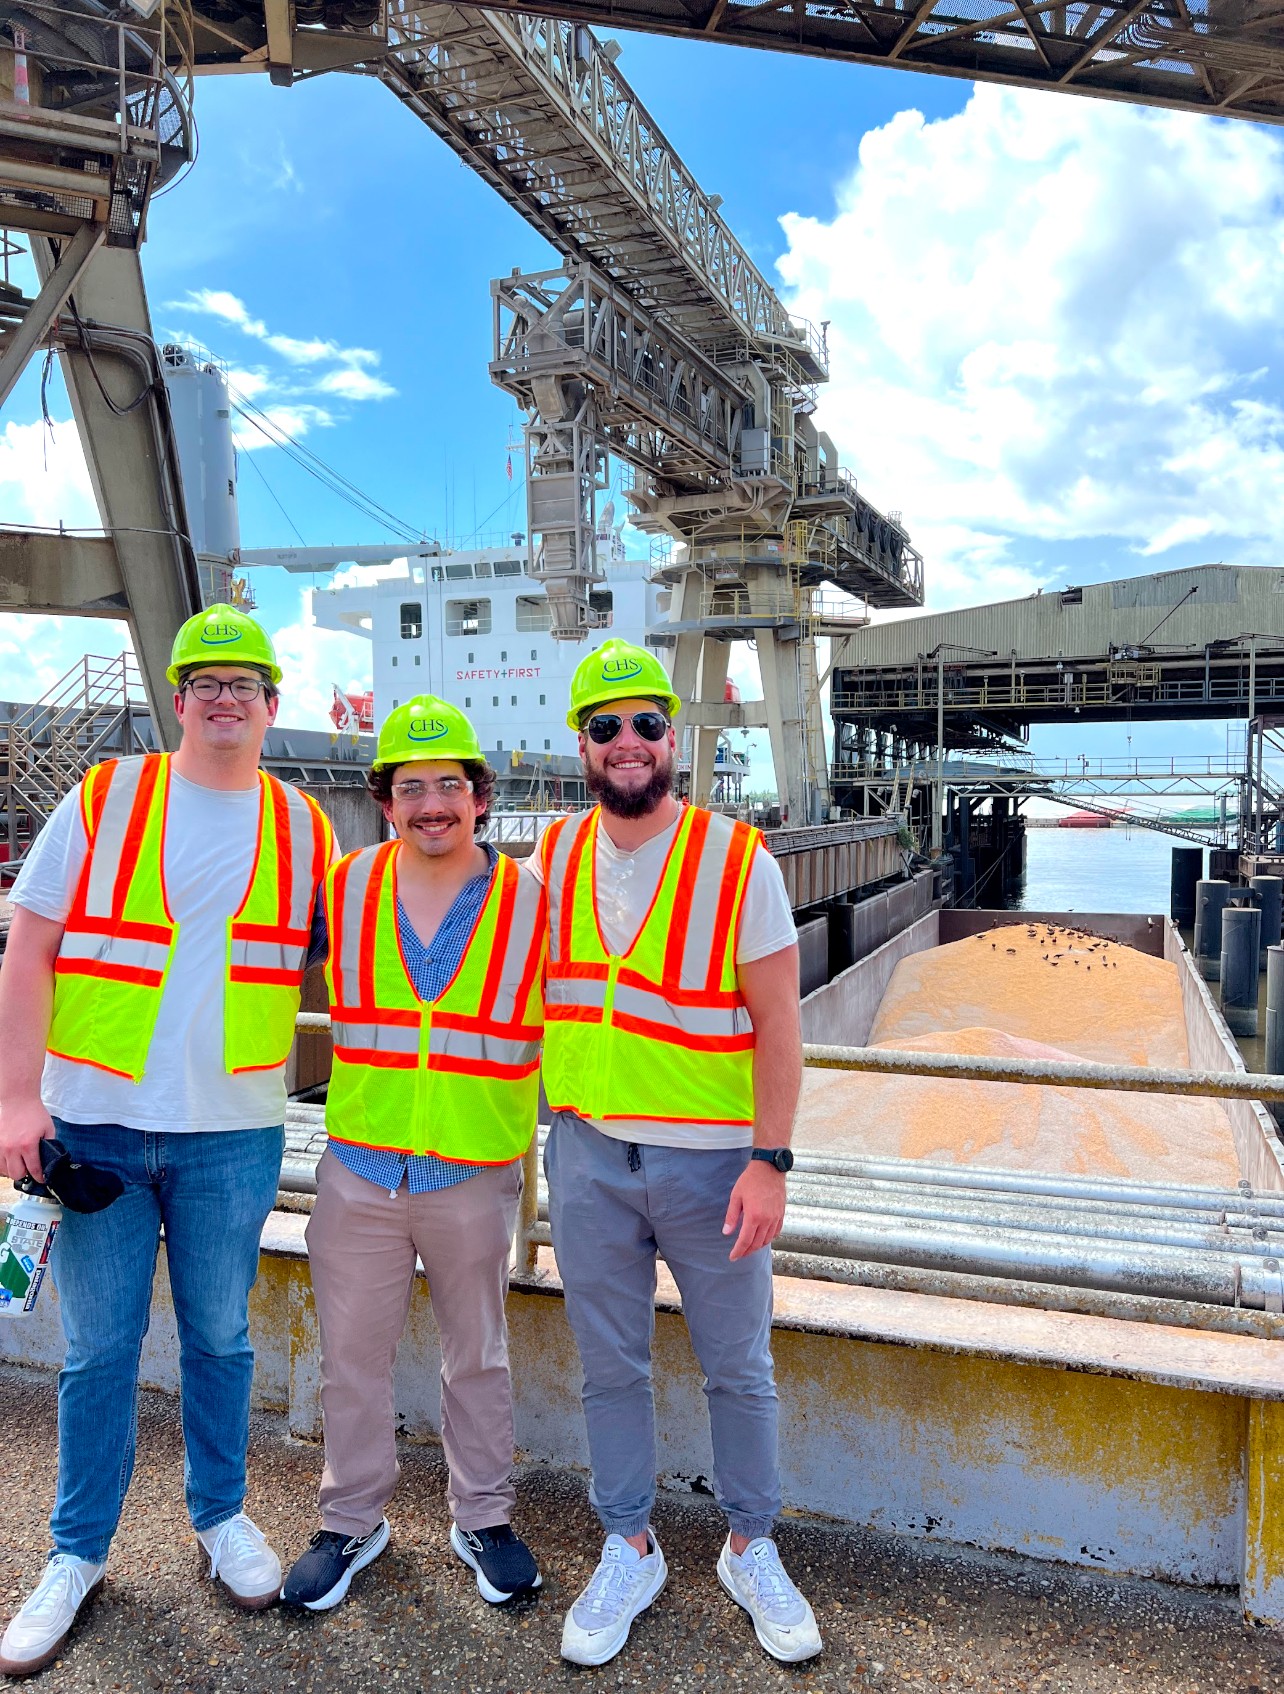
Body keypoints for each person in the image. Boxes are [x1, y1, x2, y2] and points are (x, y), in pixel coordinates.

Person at [0, 605, 335, 1676]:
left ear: (272, 702)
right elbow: (31, 941)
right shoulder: (107, 795)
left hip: (229, 1132)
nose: (225, 697)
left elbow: (376, 944)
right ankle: (75, 1551)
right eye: (206, 681)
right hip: (94, 1120)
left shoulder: (306, 826)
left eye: (245, 681)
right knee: (97, 1351)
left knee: (222, 1338)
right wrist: (16, 1104)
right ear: (177, 699)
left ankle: (220, 1513)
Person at [528, 639, 821, 1667]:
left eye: (646, 724)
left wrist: (770, 1159)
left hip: (713, 1165)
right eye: (605, 726)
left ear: (673, 735)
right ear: (583, 743)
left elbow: (781, 1024)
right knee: (611, 1366)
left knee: (739, 1366)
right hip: (590, 1153)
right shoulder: (553, 855)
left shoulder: (742, 859)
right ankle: (629, 1542)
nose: (627, 743)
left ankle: (751, 1543)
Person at [280, 697, 546, 1614]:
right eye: (410, 787)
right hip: (360, 1166)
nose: (431, 803)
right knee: (350, 1358)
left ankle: (483, 1516)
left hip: (472, 1171)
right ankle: (351, 1520)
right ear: (384, 799)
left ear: (478, 796)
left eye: (448, 785)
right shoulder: (344, 886)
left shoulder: (531, 899)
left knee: (477, 1357)